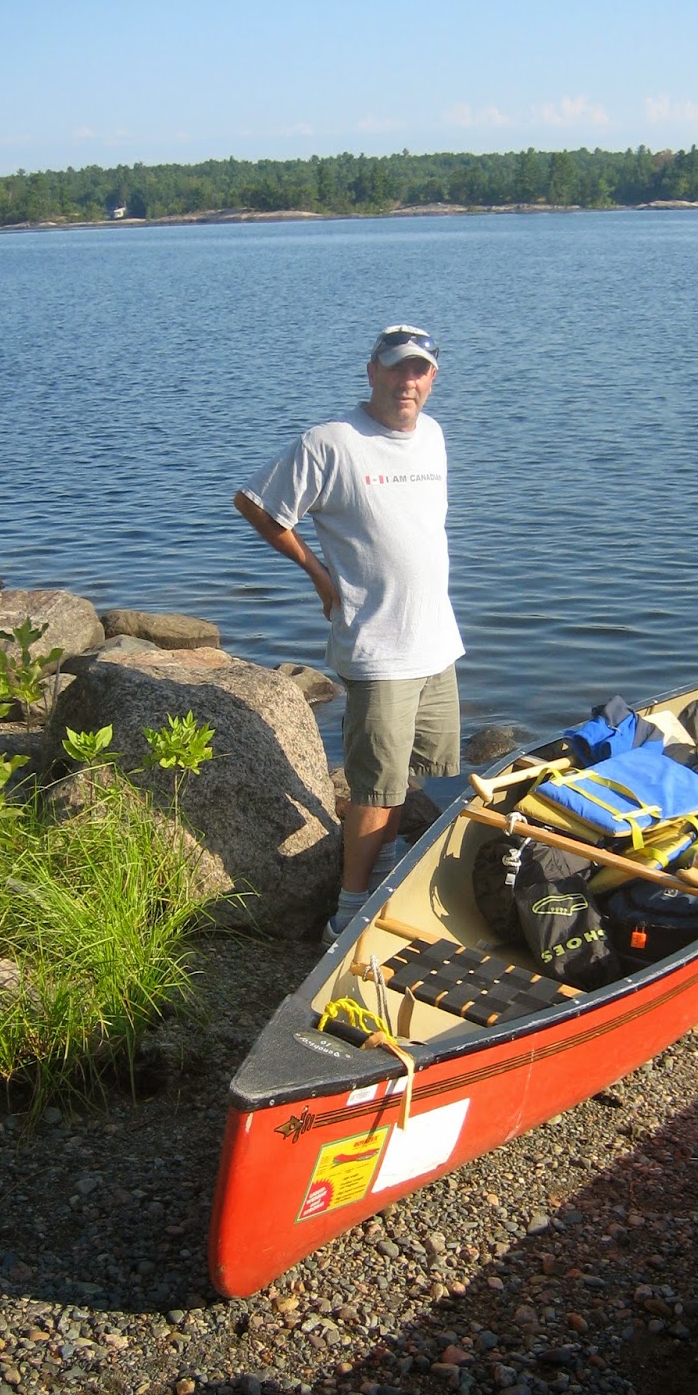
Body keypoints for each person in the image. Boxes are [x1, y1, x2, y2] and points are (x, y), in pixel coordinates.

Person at [235, 323, 464, 942]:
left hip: (437, 641)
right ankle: (348, 913)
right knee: (374, 787)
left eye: (418, 371)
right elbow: (257, 503)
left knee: (417, 774)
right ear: (372, 371)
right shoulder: (331, 442)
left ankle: (386, 865)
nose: (407, 382)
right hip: (379, 646)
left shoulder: (434, 436)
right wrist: (318, 573)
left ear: (432, 378)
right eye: (396, 369)